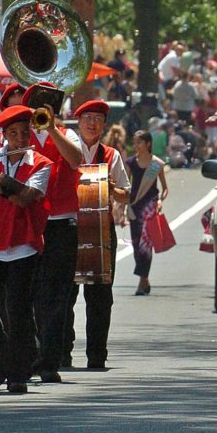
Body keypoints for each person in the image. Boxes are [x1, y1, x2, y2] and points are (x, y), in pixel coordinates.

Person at [0, 105, 53, 394]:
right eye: (14, 134)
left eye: (24, 133)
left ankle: (17, 375)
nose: (20, 139)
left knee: (18, 311)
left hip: (22, 245)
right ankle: (5, 362)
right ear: (4, 136)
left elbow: (24, 199)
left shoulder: (41, 163)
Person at [15, 83, 84, 383]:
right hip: (29, 221)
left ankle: (49, 361)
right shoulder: (20, 137)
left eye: (46, 107)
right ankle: (28, 355)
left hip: (60, 223)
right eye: (36, 107)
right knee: (27, 294)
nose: (40, 112)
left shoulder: (67, 134)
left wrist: (53, 128)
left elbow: (76, 160)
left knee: (56, 297)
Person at [64, 100, 131, 370]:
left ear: (104, 125)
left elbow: (126, 194)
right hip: (69, 228)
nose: (92, 123)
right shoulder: (67, 148)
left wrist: (113, 189)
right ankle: (61, 352)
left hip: (102, 229)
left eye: (98, 119)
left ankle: (96, 355)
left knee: (100, 295)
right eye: (87, 118)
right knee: (66, 294)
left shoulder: (111, 155)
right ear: (78, 122)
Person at [126, 130, 169, 296]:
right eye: (135, 142)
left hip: (150, 207)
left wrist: (160, 201)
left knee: (146, 245)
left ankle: (142, 280)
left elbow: (165, 189)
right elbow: (125, 186)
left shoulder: (156, 164)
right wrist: (121, 208)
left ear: (148, 144)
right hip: (135, 207)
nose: (136, 145)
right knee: (137, 245)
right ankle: (145, 279)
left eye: (139, 142)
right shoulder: (130, 163)